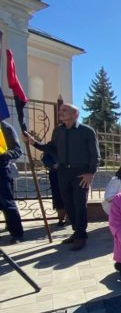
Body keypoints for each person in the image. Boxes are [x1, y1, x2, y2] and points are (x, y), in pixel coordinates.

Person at [24, 103, 100, 251]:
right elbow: (51, 148)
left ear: (75, 114)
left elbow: (95, 154)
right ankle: (76, 231)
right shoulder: (58, 131)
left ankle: (81, 236)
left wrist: (91, 173)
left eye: (64, 110)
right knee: (68, 203)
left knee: (79, 203)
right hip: (63, 172)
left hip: (81, 172)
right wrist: (34, 143)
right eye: (60, 110)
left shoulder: (87, 131)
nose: (61, 112)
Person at [0, 120, 24, 243]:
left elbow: (17, 150)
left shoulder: (5, 128)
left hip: (2, 170)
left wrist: (4, 155)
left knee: (7, 203)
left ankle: (17, 234)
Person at [41, 152, 66, 227]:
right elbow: (45, 158)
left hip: (71, 172)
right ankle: (61, 218)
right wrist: (53, 164)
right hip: (55, 173)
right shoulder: (51, 146)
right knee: (58, 196)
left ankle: (71, 218)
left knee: (71, 195)